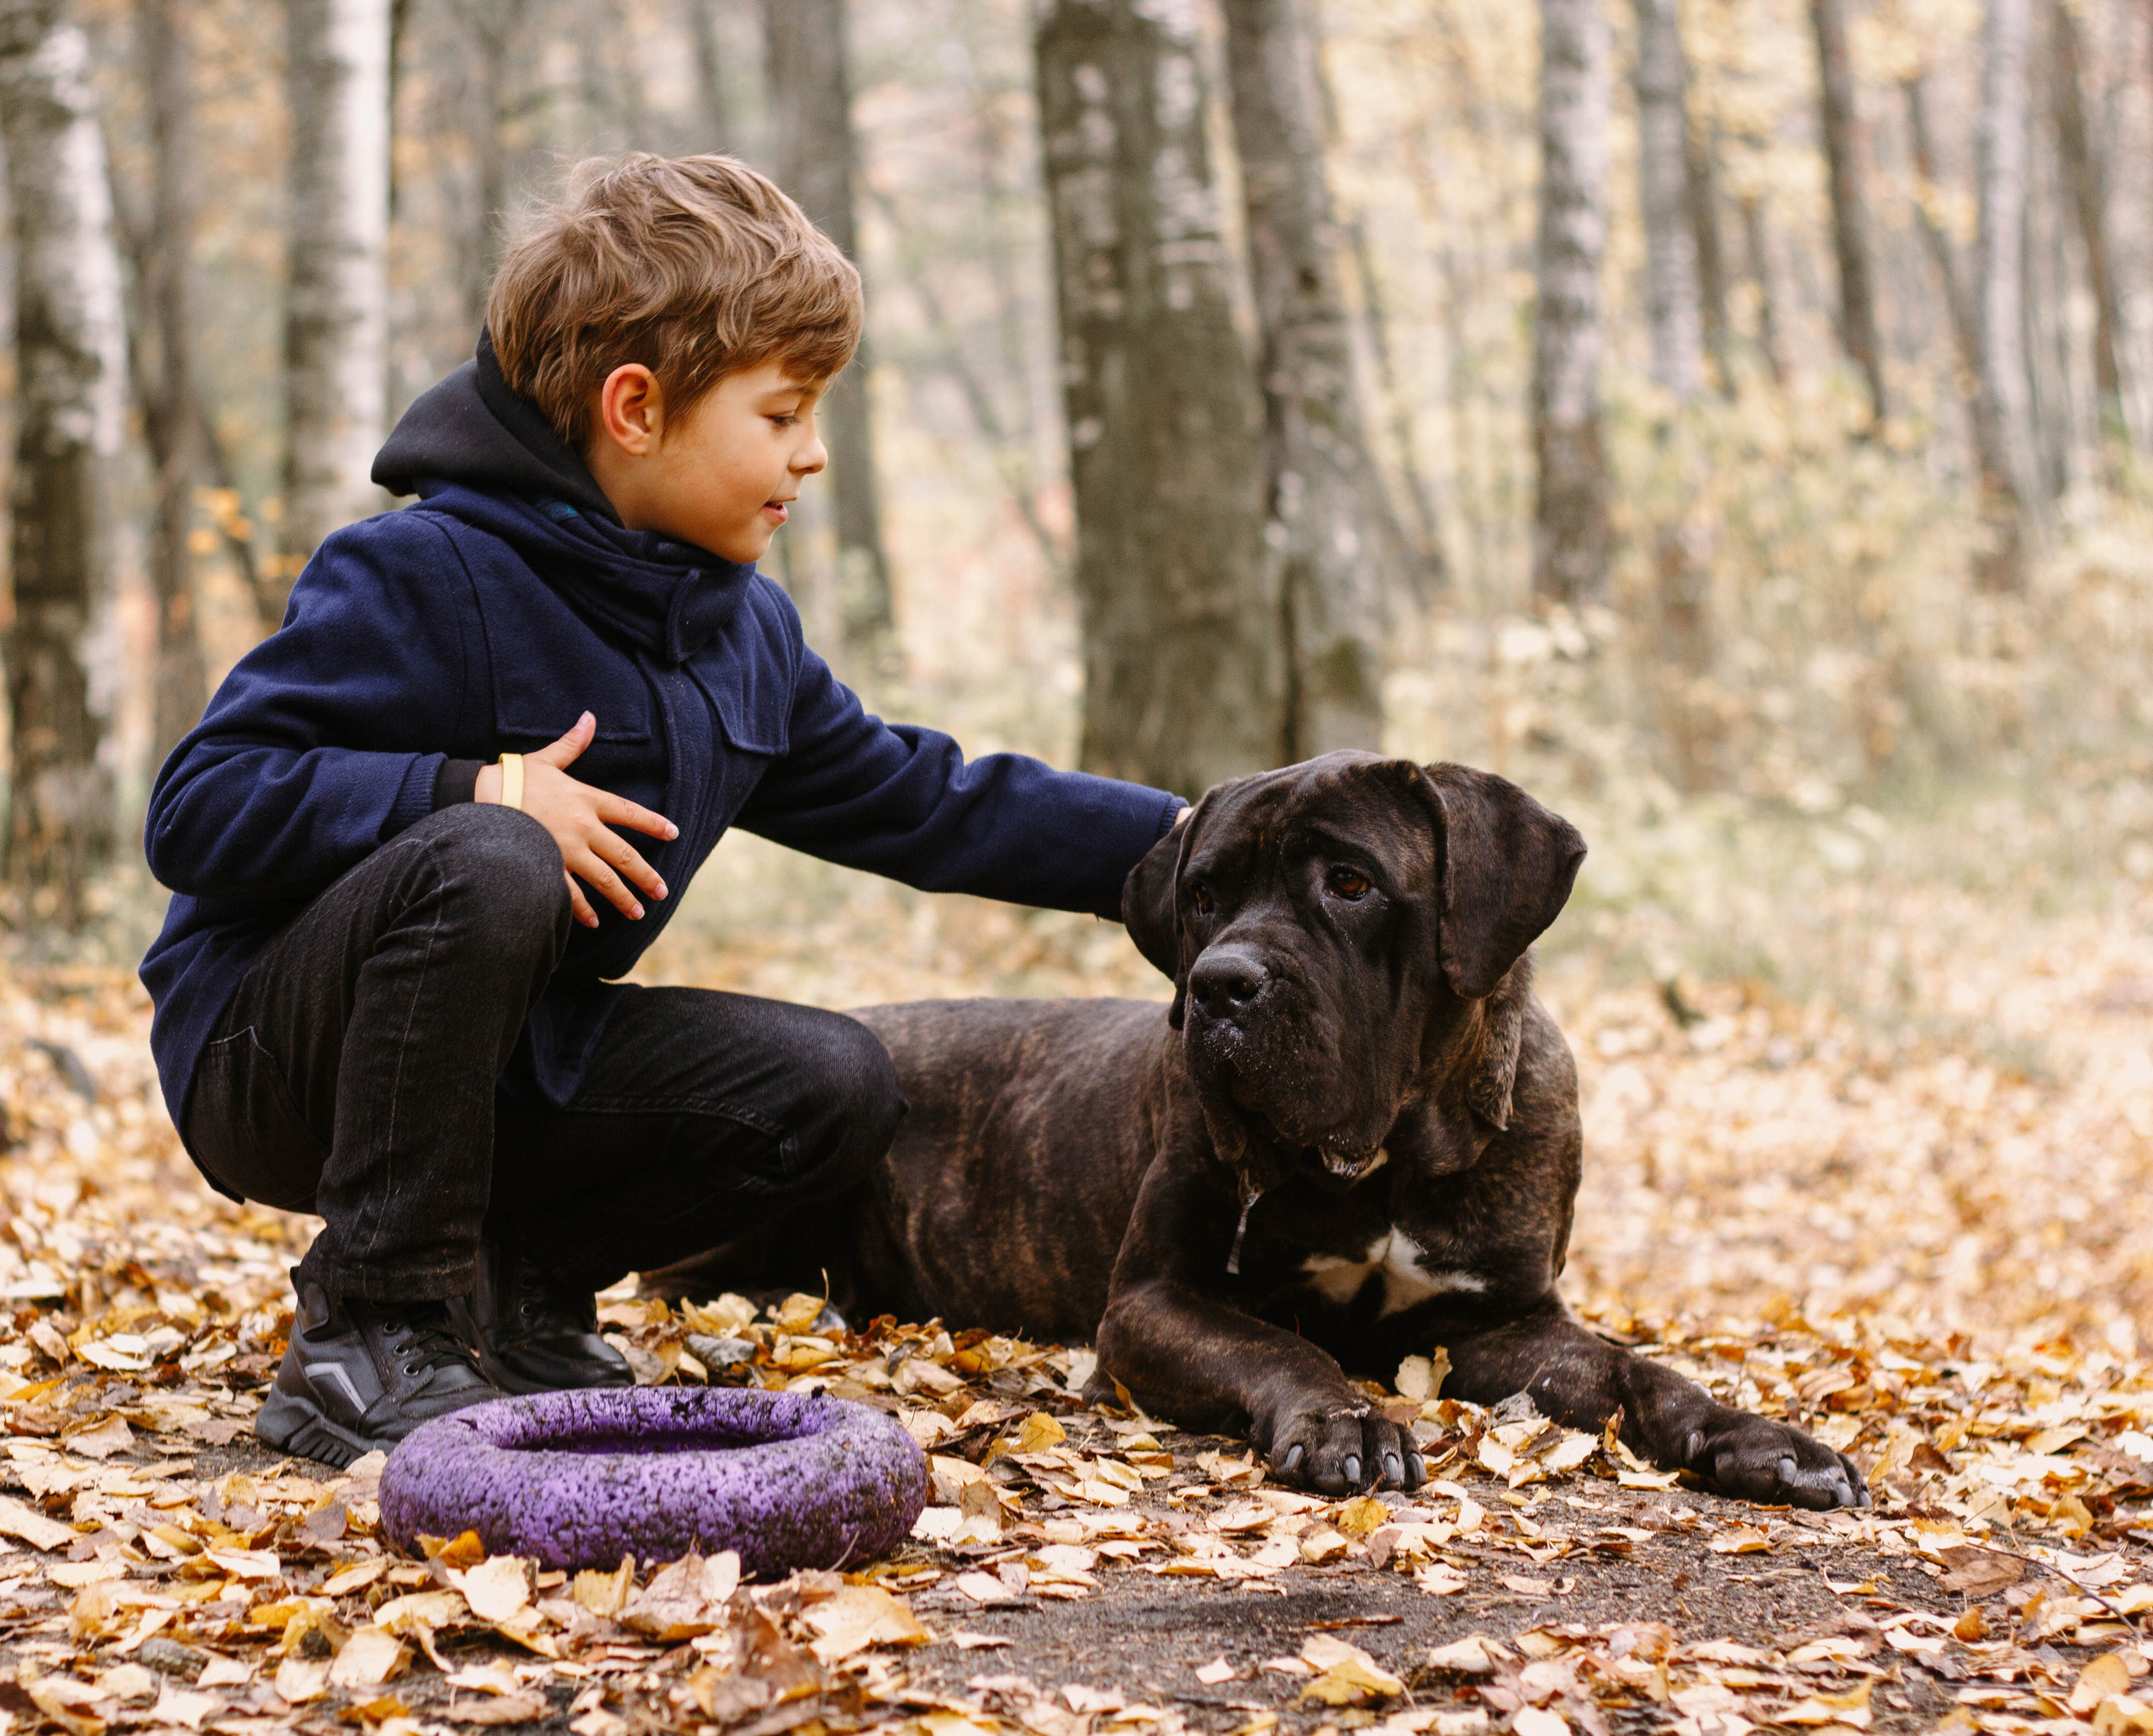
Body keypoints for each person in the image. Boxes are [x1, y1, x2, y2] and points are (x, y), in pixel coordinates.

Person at [139, 154, 1185, 1467]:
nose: (810, 454)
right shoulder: (424, 570)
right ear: (635, 407)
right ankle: (368, 1322)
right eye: (783, 411)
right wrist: (471, 786)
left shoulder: (740, 635)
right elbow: (198, 804)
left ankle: (511, 1294)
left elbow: (928, 801)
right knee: (492, 854)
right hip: (272, 1054)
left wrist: (1195, 847)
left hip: (507, 1064)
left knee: (835, 1084)